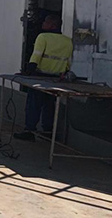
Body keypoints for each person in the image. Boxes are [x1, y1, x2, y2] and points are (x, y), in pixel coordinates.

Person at [14, 14, 74, 142]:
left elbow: (36, 56)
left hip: (39, 77)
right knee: (49, 105)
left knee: (33, 104)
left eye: (46, 22)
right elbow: (68, 62)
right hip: (57, 79)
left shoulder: (43, 37)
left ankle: (29, 130)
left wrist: (28, 71)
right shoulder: (68, 41)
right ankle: (48, 131)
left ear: (52, 25)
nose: (43, 24)